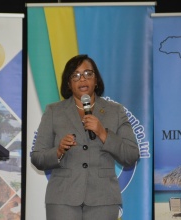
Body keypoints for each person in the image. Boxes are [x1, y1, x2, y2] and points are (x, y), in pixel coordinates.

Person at [31, 54, 139, 220]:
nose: (82, 79)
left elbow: (131, 155)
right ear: (68, 83)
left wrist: (103, 133)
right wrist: (58, 151)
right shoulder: (54, 111)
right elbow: (37, 157)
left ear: (96, 80)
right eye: (76, 75)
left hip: (103, 199)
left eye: (88, 74)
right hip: (62, 198)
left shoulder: (115, 111)